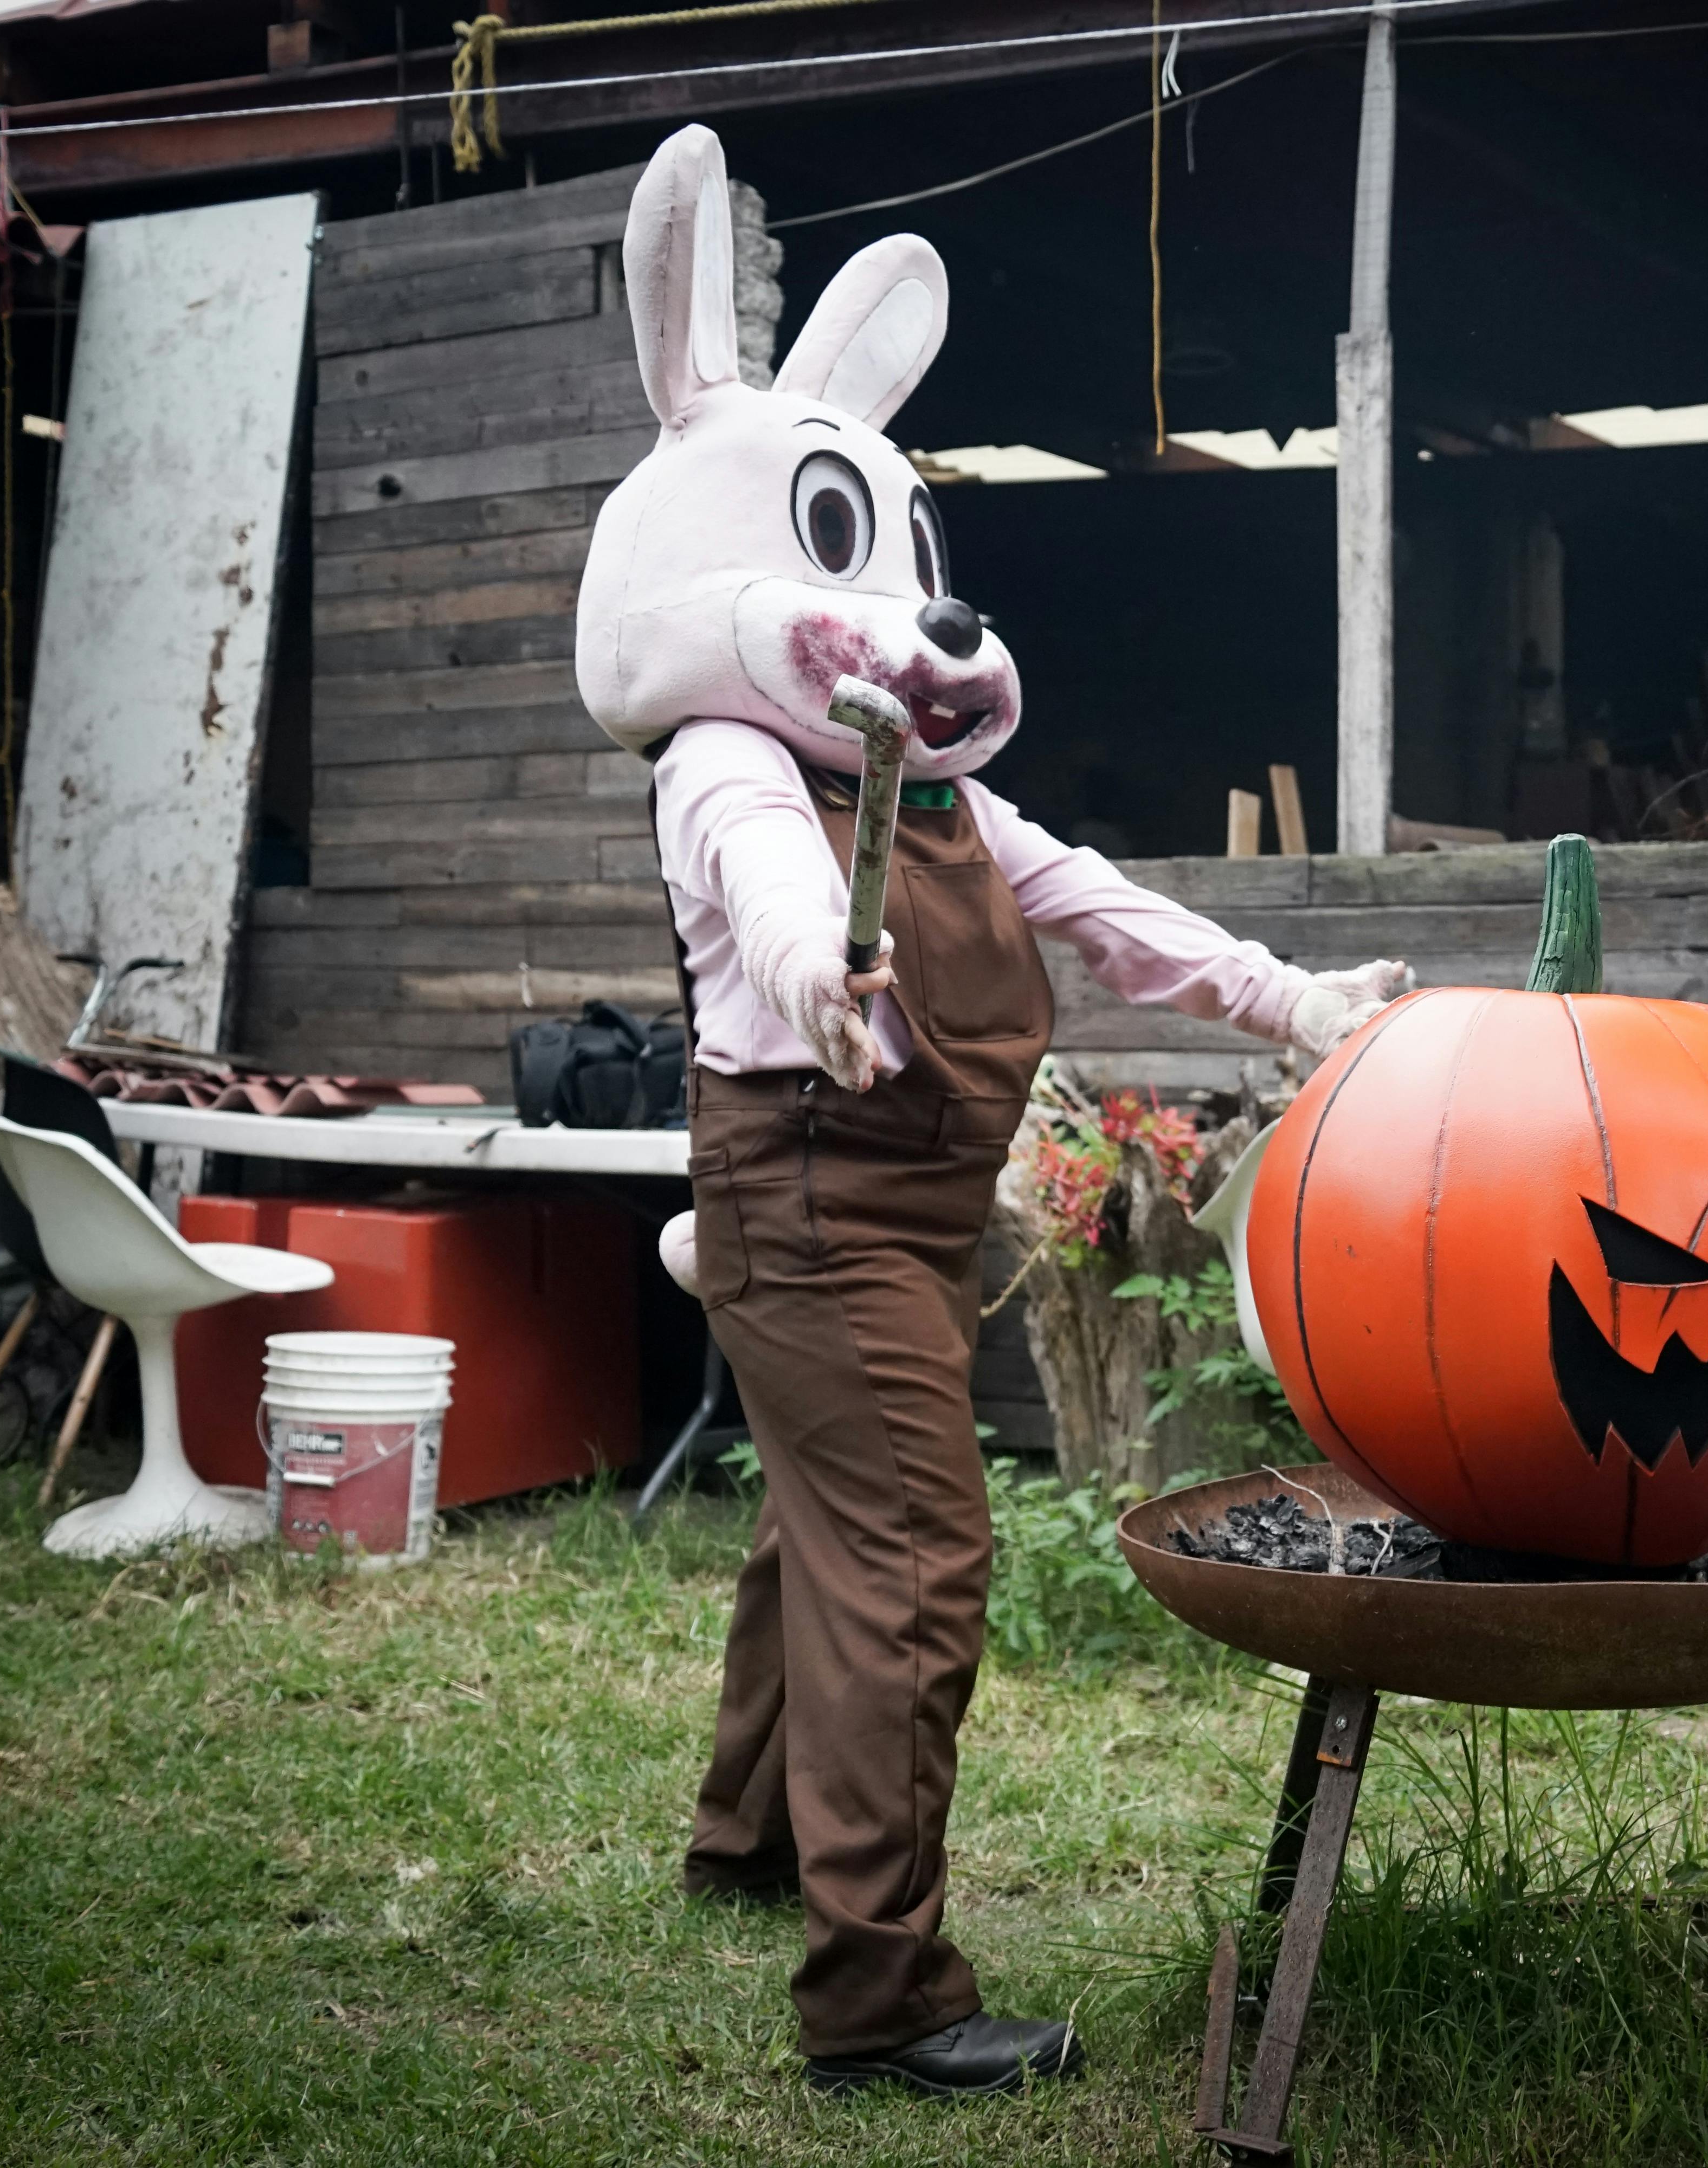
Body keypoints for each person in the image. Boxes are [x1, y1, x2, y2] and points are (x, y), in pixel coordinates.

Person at [575, 127, 1409, 2098]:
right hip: (811, 1201)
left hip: (893, 1213)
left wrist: (1290, 1002)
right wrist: (812, 977)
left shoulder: (938, 793)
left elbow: (1100, 905)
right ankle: (880, 2001)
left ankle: (751, 1840)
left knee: (823, 1519)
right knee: (916, 1561)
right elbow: (773, 896)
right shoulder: (730, 760)